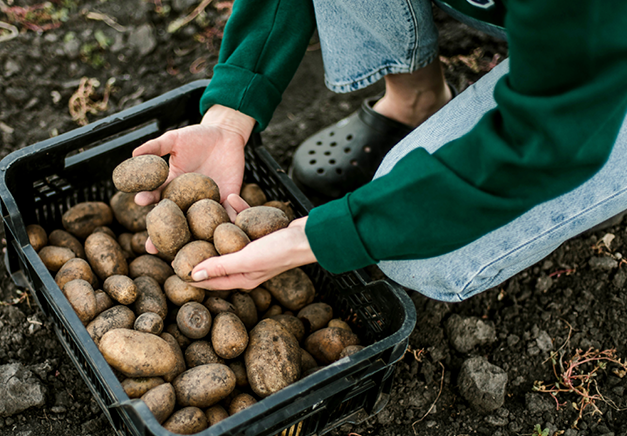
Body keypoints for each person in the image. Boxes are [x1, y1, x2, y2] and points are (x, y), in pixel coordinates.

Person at [132, 0, 627, 302]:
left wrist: (326, 236)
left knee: (420, 258)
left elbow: (546, 139)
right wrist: (230, 114)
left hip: (600, 68)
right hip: (548, 27)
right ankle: (416, 101)